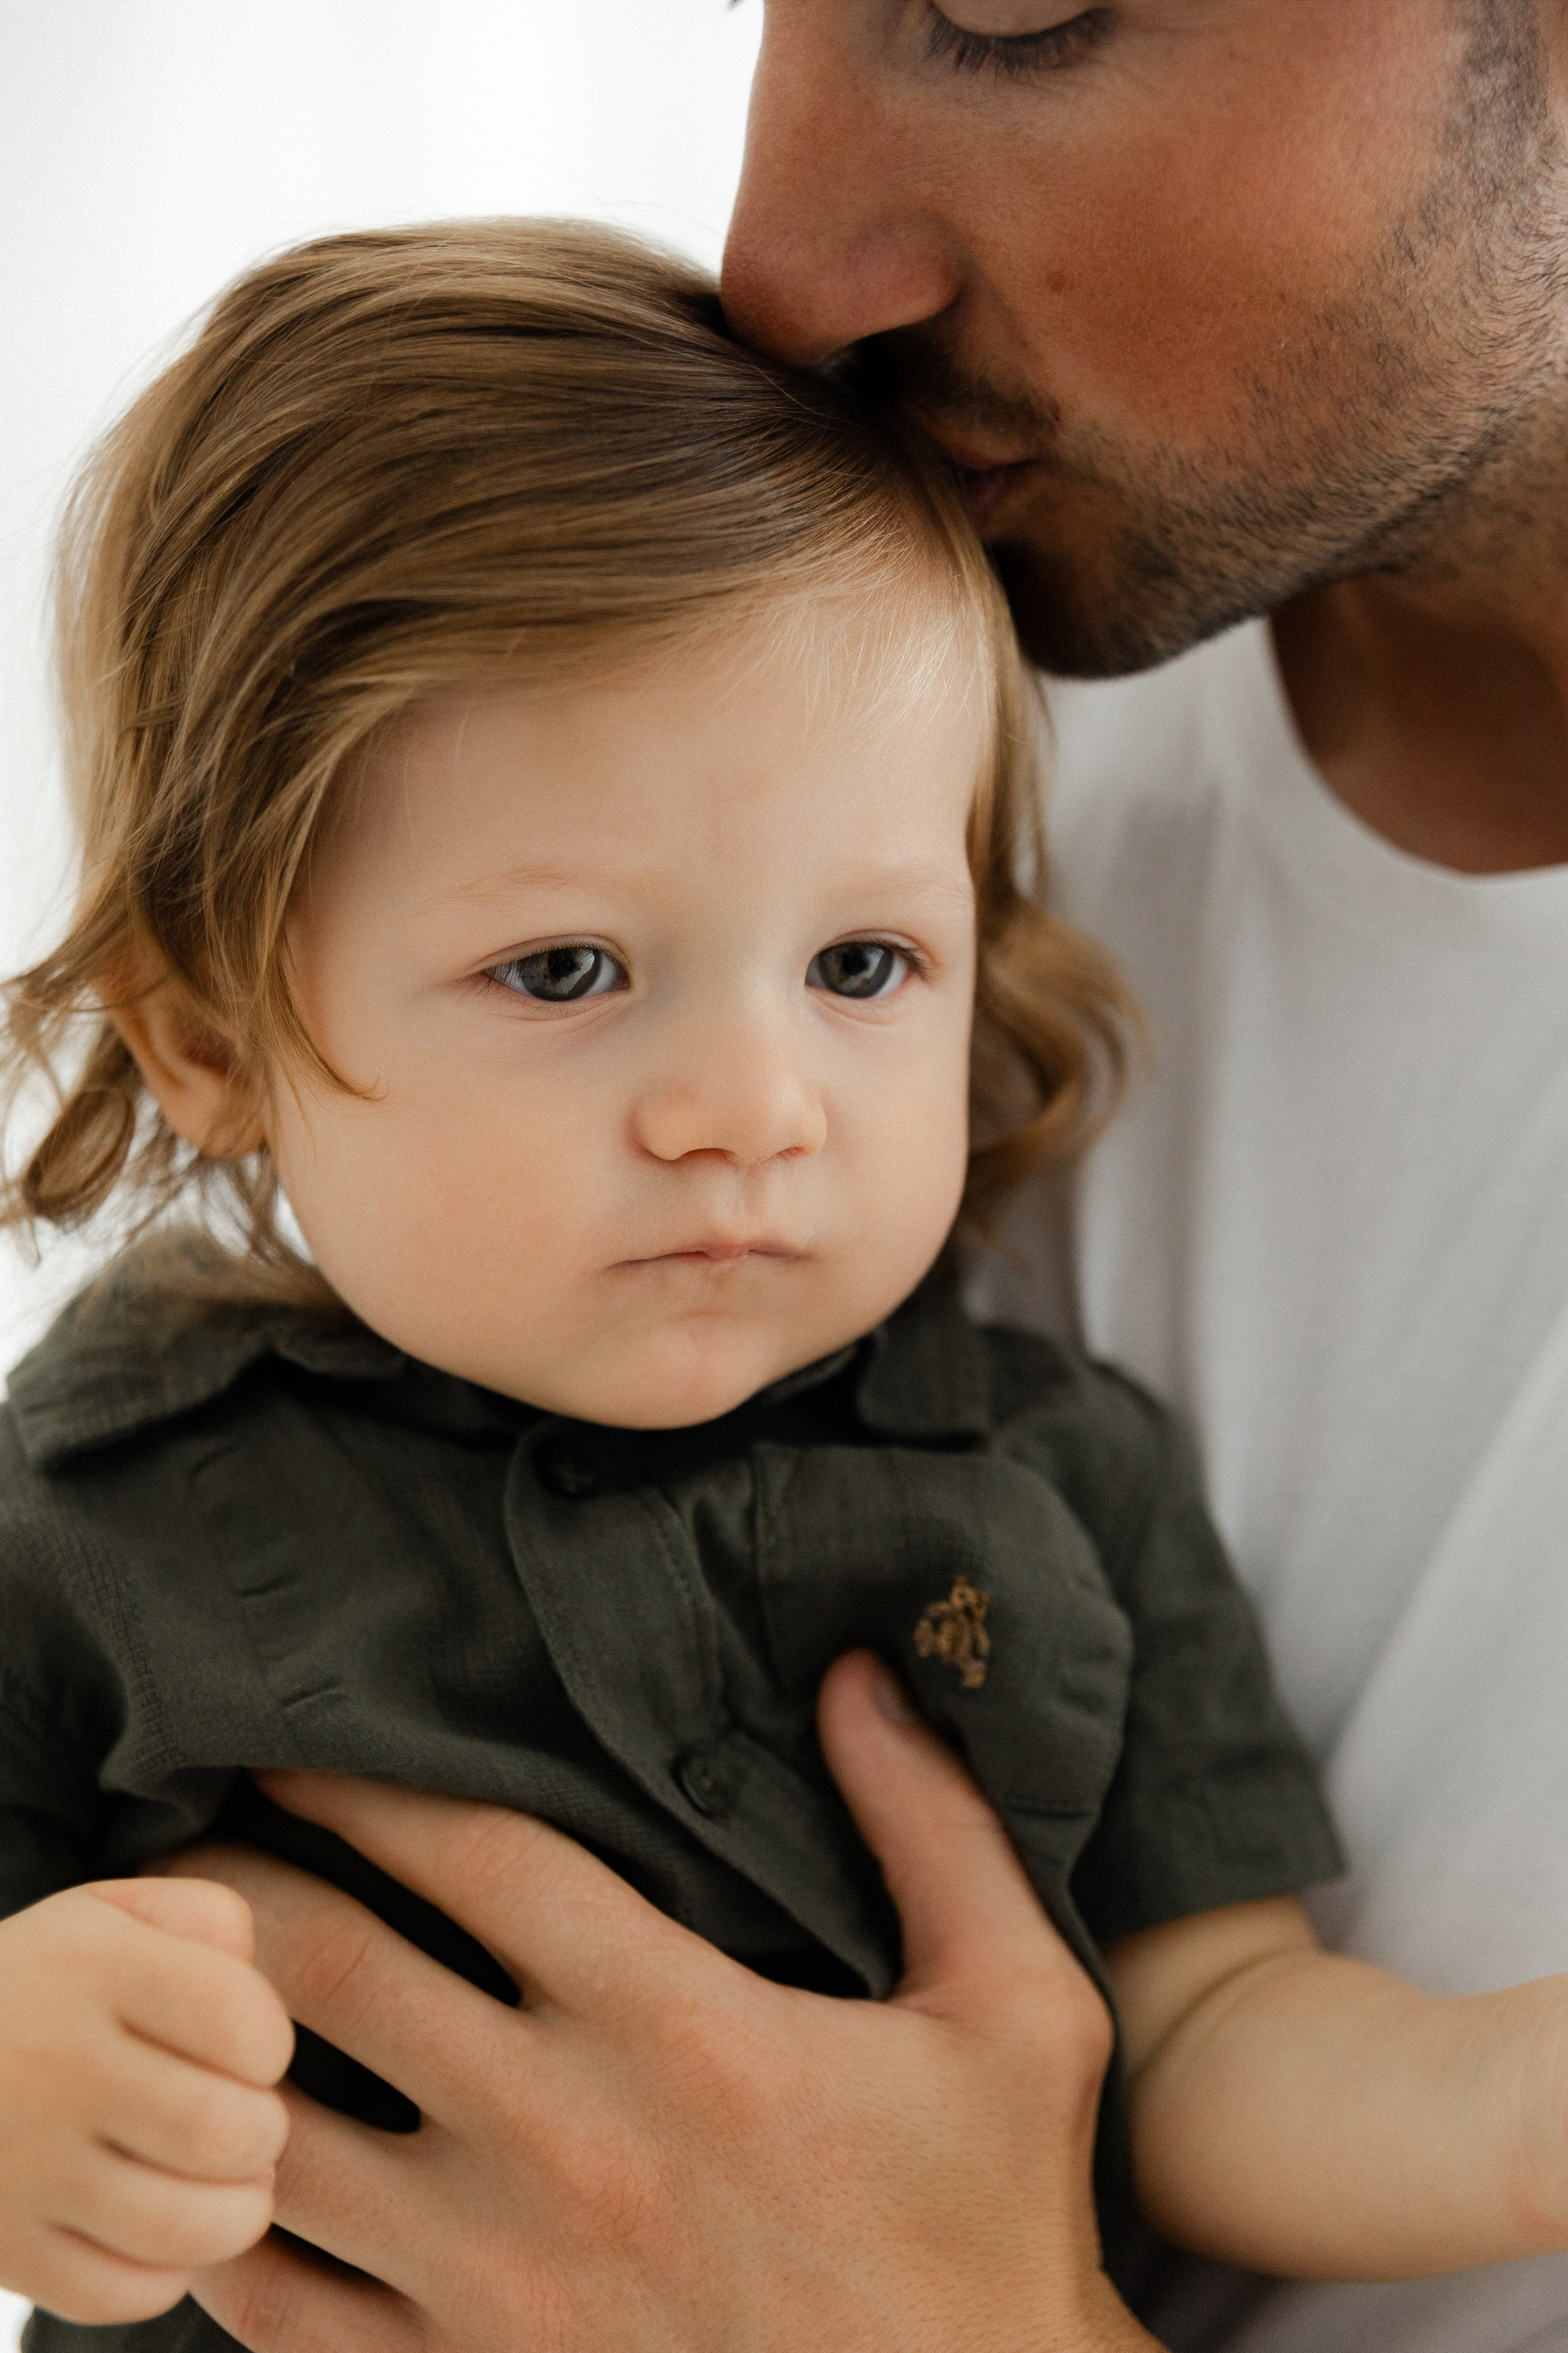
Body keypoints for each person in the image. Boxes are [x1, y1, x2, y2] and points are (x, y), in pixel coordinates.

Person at [9, 208, 1568, 2353]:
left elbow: (1201, 2043)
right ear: (200, 1033)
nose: (752, 1103)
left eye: (861, 966)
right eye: (566, 969)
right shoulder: (95, 1503)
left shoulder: (1053, 1470)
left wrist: (1508, 2111)